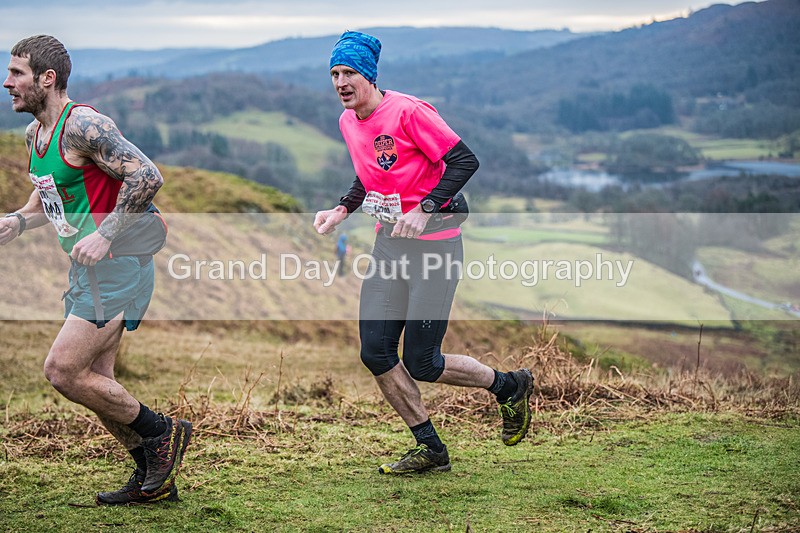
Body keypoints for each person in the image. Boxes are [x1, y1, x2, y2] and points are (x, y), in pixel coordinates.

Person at [314, 31, 534, 474]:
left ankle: (509, 386)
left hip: (435, 248)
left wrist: (426, 208)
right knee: (375, 352)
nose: (340, 82)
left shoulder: (409, 112)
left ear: (369, 75)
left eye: (349, 72)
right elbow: (371, 175)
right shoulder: (348, 121)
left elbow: (465, 161)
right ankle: (430, 448)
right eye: (334, 73)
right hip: (389, 246)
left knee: (423, 362)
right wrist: (342, 208)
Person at [1, 35, 191, 505]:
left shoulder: (83, 125)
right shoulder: (35, 135)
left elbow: (147, 175)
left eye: (17, 73)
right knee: (96, 382)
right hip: (85, 270)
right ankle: (152, 476)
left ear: (48, 78)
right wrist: (18, 221)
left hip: (118, 265)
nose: (7, 82)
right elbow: (51, 196)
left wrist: (105, 233)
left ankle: (163, 432)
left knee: (63, 371)